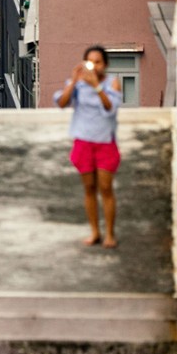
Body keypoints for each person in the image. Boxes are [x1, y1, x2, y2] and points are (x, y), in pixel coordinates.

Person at [55, 45, 122, 248]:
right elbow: (62, 102)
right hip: (83, 141)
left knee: (106, 188)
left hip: (104, 141)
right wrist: (75, 80)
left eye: (98, 62)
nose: (94, 66)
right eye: (90, 61)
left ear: (106, 64)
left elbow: (111, 108)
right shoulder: (79, 84)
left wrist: (97, 87)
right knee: (89, 188)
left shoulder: (113, 83)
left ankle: (109, 233)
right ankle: (95, 232)